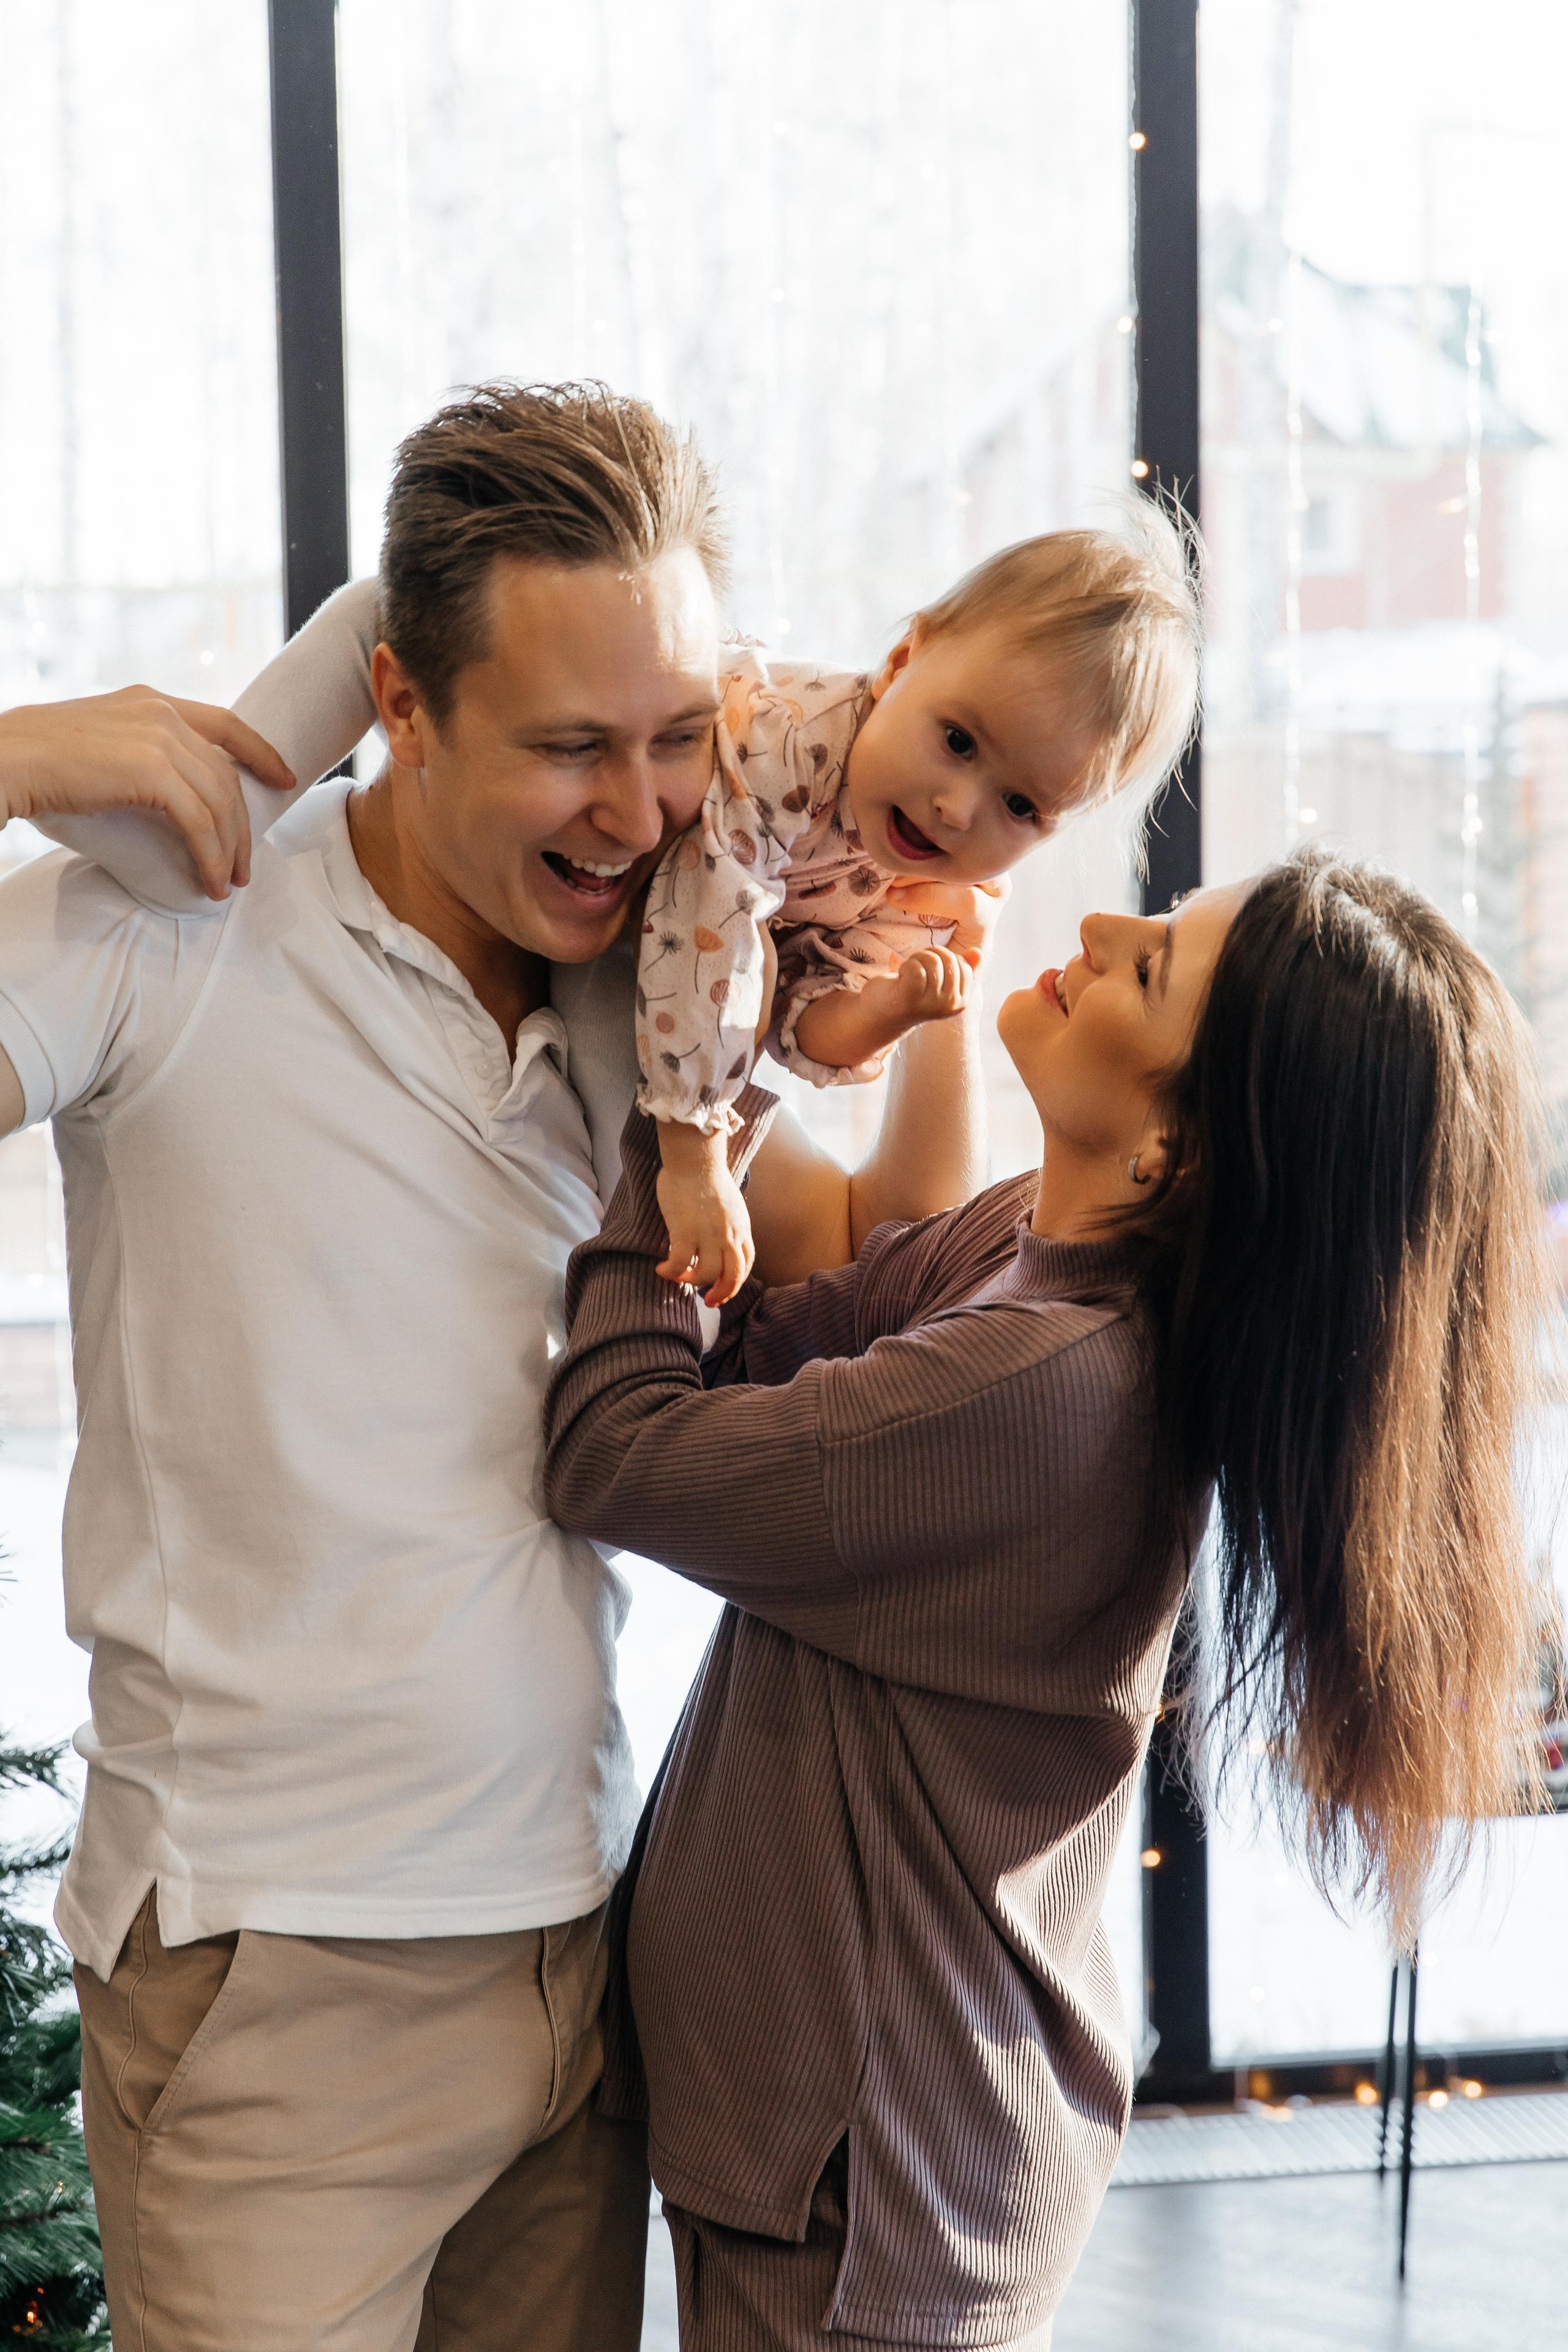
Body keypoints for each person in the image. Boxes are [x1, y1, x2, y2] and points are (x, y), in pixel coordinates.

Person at [0, 382, 993, 2351]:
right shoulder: (153, 930)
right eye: (567, 748)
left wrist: (935, 966)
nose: (638, 814)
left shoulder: (651, 1006)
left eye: (674, 738)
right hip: (280, 1967)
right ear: (397, 694)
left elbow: (881, 1259)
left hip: (579, 1948)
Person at [541, 850, 1547, 2351]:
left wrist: (694, 1101)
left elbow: (613, 1448)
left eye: (1146, 964)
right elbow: (768, 1344)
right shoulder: (1036, 1261)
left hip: (860, 2184)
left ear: (1176, 1151)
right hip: (860, 2145)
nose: (1092, 926)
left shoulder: (1036, 1389)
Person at [642, 521, 1200, 1303]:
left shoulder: (919, 880)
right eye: (958, 740)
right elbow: (697, 923)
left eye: (1020, 805)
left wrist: (890, 1008)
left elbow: (801, 1025)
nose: (956, 808)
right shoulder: (789, 747)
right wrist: (694, 1153)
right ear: (903, 659)